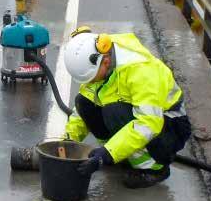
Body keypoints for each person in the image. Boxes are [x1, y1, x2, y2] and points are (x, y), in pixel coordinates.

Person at [62, 27, 191, 188]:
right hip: (144, 119)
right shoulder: (102, 59)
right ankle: (121, 155)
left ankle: (153, 168)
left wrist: (107, 154)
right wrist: (68, 140)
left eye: (92, 78)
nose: (90, 83)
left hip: (170, 127)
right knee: (83, 103)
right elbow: (82, 109)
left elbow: (148, 124)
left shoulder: (141, 71)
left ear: (106, 62)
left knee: (114, 112)